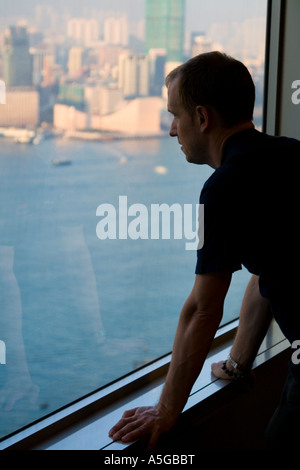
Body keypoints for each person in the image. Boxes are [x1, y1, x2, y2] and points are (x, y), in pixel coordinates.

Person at [109, 51, 300, 450]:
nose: (171, 131)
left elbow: (203, 309)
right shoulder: (290, 153)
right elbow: (270, 270)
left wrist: (165, 409)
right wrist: (237, 363)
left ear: (202, 117)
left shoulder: (223, 187)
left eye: (175, 116)